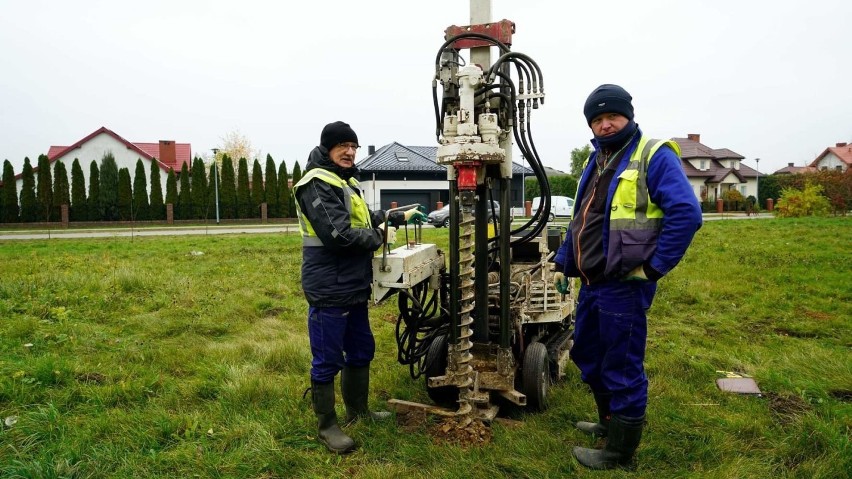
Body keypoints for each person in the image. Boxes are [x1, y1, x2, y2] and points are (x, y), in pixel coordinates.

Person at [553, 85, 703, 469]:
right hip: (592, 282)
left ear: (629, 117)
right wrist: (566, 262)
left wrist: (653, 268)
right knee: (588, 353)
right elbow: (583, 219)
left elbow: (686, 214)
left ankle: (620, 453)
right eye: (597, 119)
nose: (605, 125)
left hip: (624, 283)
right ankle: (608, 424)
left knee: (621, 364)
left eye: (612, 117)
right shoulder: (598, 158)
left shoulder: (652, 155)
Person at [292, 121, 426, 454]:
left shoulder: (345, 182)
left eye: (353, 145)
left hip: (353, 284)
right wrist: (380, 237)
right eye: (343, 146)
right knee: (327, 359)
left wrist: (395, 217)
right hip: (328, 285)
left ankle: (358, 410)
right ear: (327, 148)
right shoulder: (316, 184)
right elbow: (337, 235)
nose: (350, 151)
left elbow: (363, 219)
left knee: (361, 349)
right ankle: (327, 426)